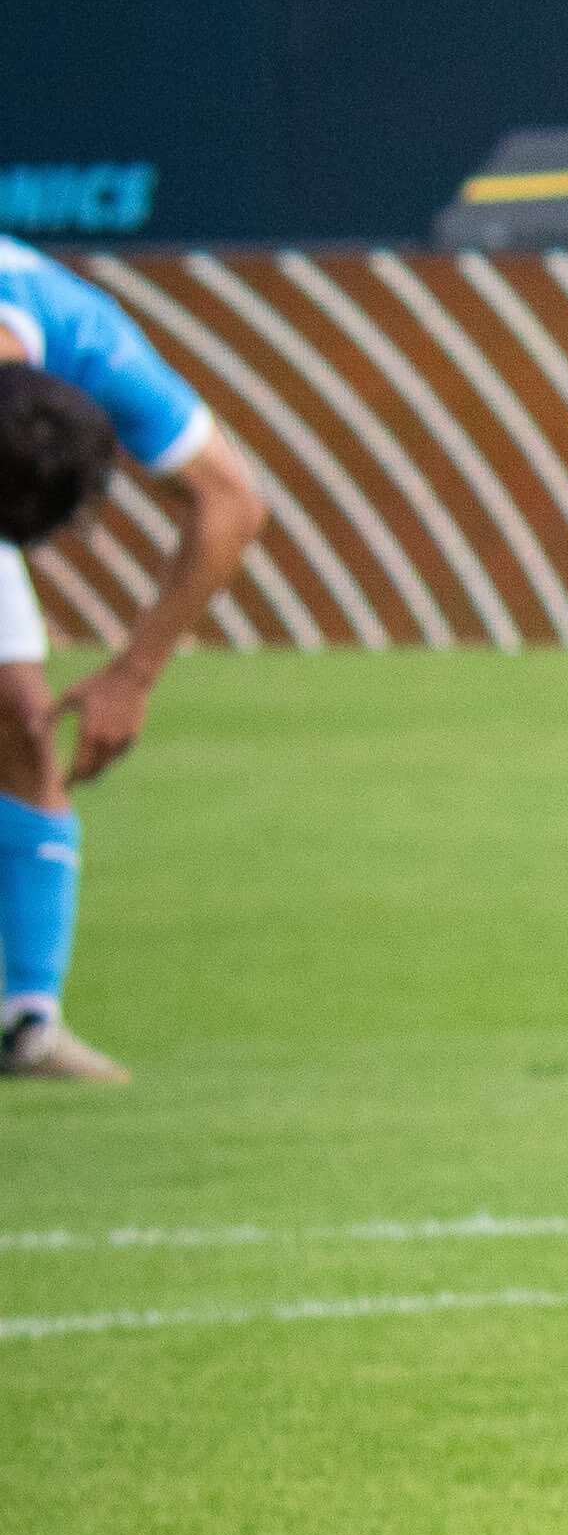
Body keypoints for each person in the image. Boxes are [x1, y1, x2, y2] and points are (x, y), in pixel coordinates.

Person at [0, 246, 265, 1083]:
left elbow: (231, 500)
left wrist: (133, 674)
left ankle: (27, 1023)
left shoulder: (82, 335)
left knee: (19, 724)